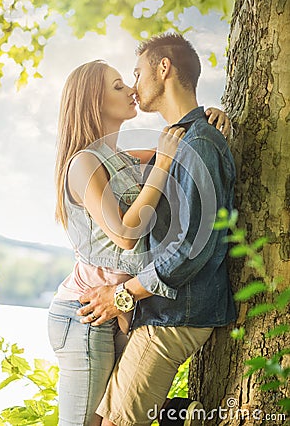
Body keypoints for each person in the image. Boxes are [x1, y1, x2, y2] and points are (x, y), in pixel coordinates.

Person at [48, 58, 228, 426]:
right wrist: (161, 165)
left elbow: (186, 155)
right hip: (85, 311)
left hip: (120, 309)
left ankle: (172, 413)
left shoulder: (124, 158)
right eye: (117, 86)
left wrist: (211, 116)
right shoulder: (84, 163)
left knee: (113, 413)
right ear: (92, 101)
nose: (131, 89)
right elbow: (126, 234)